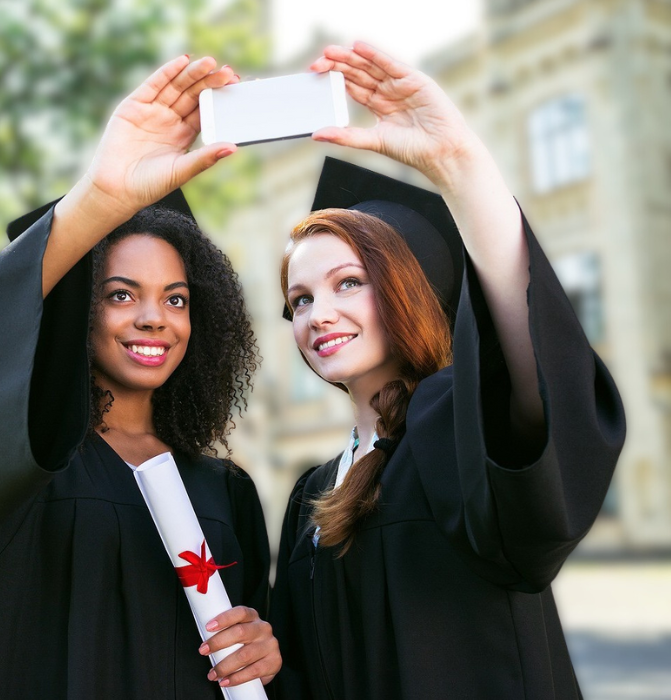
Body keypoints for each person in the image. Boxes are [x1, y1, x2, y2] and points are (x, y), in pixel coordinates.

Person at [267, 42, 626, 699]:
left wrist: (459, 165)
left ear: (413, 289)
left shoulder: (454, 428)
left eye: (350, 282)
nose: (319, 314)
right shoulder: (311, 497)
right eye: (300, 299)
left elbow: (540, 391)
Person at [0, 55, 280, 698]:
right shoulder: (20, 470)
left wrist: (264, 646)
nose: (154, 320)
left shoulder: (226, 491)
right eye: (120, 294)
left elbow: (257, 650)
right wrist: (104, 198)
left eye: (176, 299)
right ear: (76, 315)